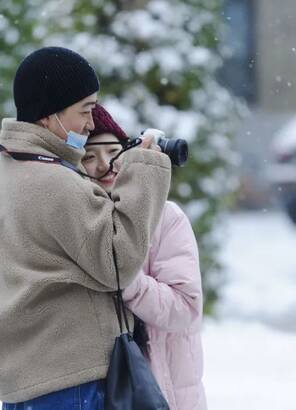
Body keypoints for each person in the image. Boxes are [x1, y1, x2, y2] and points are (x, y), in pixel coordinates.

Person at [0, 47, 172, 408]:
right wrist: (145, 170)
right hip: (72, 380)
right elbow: (118, 264)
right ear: (48, 114)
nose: (91, 123)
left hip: (20, 381)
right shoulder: (54, 181)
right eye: (85, 111)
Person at [82, 104, 207, 410]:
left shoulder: (166, 217)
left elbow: (185, 308)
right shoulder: (79, 220)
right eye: (89, 157)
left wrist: (126, 277)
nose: (105, 165)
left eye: (113, 151)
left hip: (166, 392)